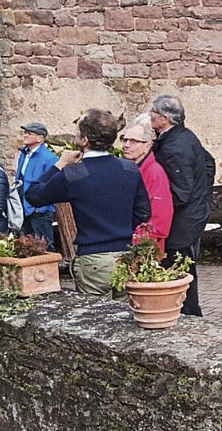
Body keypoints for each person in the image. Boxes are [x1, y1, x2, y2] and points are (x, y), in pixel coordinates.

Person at [26, 109, 150, 296]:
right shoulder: (130, 169)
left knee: (95, 317)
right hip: (126, 254)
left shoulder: (75, 174)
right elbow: (143, 212)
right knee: (126, 318)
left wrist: (59, 165)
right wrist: (120, 229)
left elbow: (34, 195)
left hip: (93, 257)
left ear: (84, 140)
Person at [150, 94, 216, 316]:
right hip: (192, 213)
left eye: (154, 113)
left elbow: (181, 191)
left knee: (179, 266)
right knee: (184, 264)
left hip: (182, 220)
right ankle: (187, 311)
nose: (150, 115)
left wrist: (157, 209)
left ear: (166, 119)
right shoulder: (182, 136)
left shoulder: (175, 146)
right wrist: (203, 198)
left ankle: (188, 313)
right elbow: (208, 163)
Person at [120, 115, 173, 250]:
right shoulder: (126, 169)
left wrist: (139, 242)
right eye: (125, 140)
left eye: (133, 141)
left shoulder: (155, 173)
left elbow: (160, 218)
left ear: (147, 145)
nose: (126, 145)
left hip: (145, 247)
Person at [14, 121, 60, 251]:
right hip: (23, 206)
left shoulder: (49, 158)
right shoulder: (24, 154)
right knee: (26, 244)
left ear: (40, 138)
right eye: (25, 132)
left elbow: (53, 185)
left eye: (29, 133)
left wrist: (41, 208)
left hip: (39, 209)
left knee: (44, 245)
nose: (25, 135)